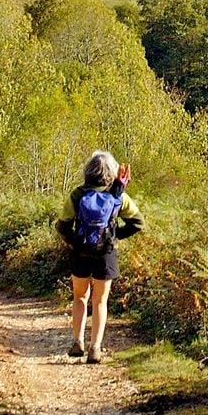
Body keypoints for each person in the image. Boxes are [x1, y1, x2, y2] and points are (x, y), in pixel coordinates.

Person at [56, 150, 144, 364]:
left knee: (79, 297)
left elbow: (62, 225)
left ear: (88, 170)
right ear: (111, 172)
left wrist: (76, 241)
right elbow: (138, 223)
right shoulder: (118, 196)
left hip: (80, 252)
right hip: (106, 254)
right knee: (100, 301)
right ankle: (95, 348)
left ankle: (77, 341)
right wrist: (114, 237)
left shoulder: (77, 195)